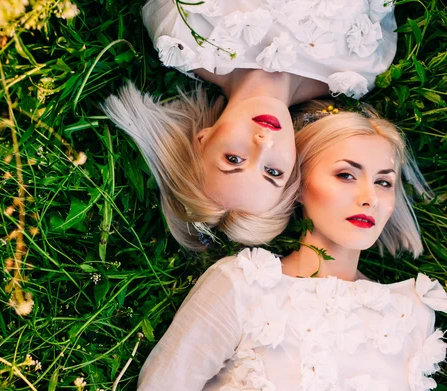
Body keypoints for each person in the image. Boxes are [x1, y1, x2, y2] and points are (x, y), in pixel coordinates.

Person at [130, 103, 446, 391]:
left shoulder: (412, 313)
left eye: (384, 182)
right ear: (299, 183)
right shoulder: (241, 286)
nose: (370, 198)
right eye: (346, 175)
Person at [103, 0, 398, 250]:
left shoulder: (184, 38)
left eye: (234, 159)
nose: (264, 142)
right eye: (272, 171)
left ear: (203, 140)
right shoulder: (358, 70)